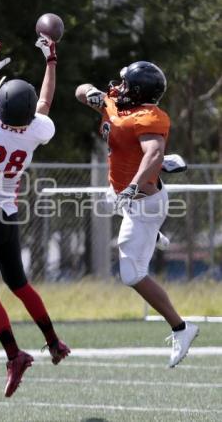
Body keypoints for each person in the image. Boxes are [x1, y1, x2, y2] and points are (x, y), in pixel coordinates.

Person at [0, 37, 70, 398]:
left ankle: (15, 355)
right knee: (19, 285)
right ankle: (53, 341)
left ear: (0, 105)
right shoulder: (37, 130)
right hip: (9, 216)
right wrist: (51, 61)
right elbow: (45, 103)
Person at [75, 61, 199, 367]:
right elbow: (80, 91)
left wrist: (133, 185)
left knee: (131, 274)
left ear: (139, 91)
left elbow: (153, 153)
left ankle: (182, 328)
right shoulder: (114, 104)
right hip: (124, 195)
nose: (119, 88)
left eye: (126, 85)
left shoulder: (149, 117)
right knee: (107, 202)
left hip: (145, 203)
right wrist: (93, 95)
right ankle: (152, 235)